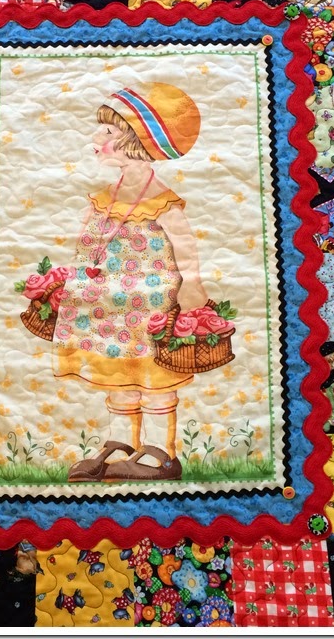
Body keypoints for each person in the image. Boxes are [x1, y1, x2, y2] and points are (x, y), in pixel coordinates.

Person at [52, 82, 206, 482]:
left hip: (151, 307)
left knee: (155, 373)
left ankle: (160, 453)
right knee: (119, 372)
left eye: (107, 131)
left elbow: (184, 243)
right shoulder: (106, 196)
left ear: (137, 142)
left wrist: (192, 285)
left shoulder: (161, 200)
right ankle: (121, 443)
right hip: (109, 310)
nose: (95, 137)